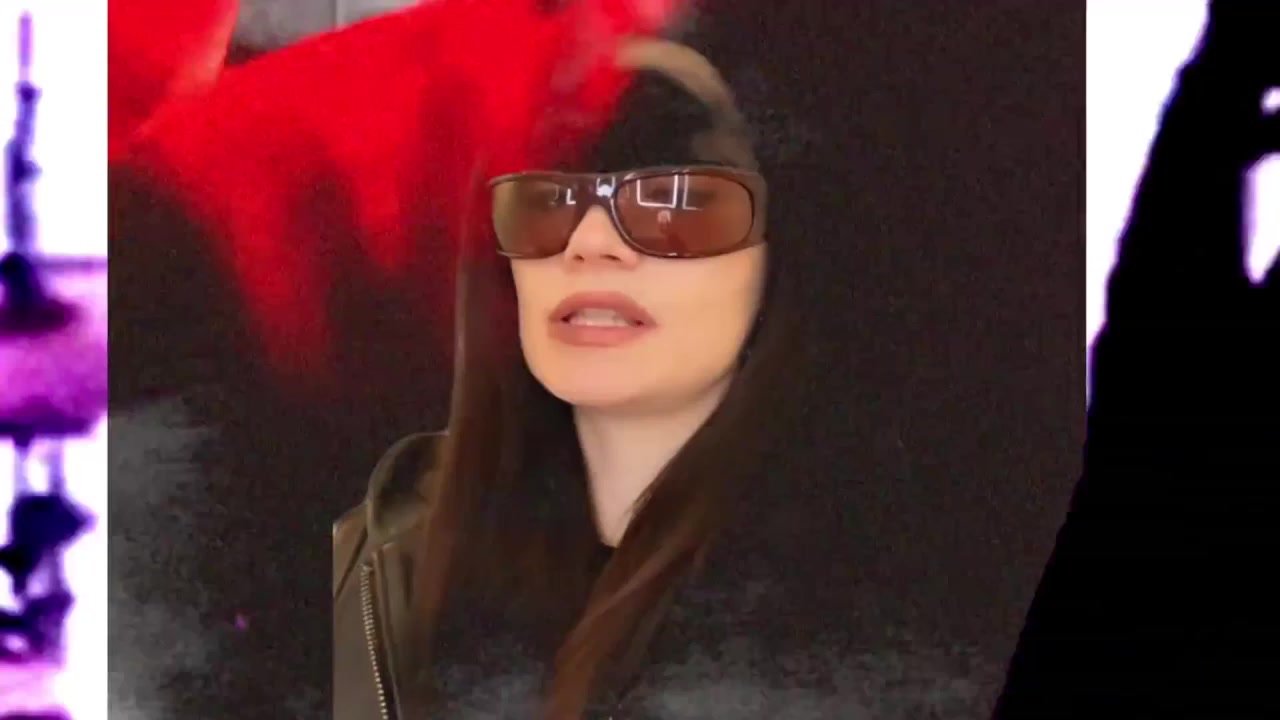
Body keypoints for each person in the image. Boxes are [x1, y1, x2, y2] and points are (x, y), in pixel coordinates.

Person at [334, 38, 1010, 720]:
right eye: (548, 199)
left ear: (781, 256)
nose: (590, 243)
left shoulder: (905, 603)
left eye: (677, 202)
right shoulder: (378, 554)